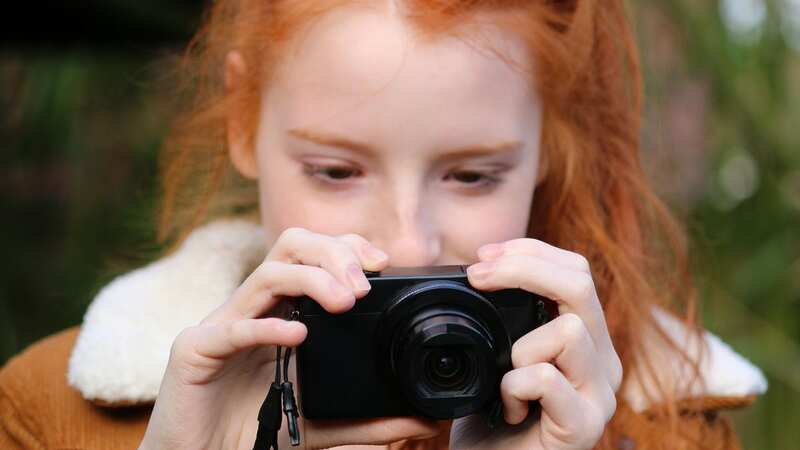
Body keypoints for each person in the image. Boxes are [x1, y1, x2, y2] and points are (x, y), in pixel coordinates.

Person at [0, 0, 768, 449]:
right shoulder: (50, 409)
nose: (408, 240)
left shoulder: (675, 425)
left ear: (546, 148)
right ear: (244, 121)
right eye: (335, 172)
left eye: (473, 175)